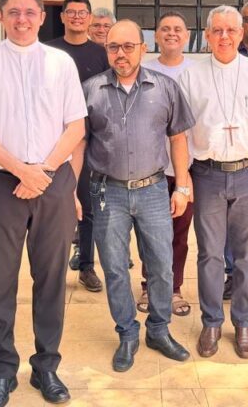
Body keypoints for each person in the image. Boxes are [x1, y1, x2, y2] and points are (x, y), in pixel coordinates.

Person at [0, 0, 85, 407]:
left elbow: (76, 127)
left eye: (30, 12)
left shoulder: (61, 63)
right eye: (13, 12)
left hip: (52, 179)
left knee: (51, 277)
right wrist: (19, 169)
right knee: (0, 279)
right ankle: (2, 370)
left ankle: (46, 366)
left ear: (42, 17)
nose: (22, 19)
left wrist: (41, 171)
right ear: (0, 17)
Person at [79, 20, 194, 372]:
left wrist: (183, 186)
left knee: (160, 264)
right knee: (115, 268)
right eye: (113, 47)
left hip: (154, 190)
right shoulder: (91, 90)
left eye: (128, 46)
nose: (121, 54)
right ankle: (127, 333)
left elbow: (178, 138)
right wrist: (70, 190)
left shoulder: (165, 87)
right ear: (106, 49)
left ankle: (158, 330)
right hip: (107, 192)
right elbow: (79, 142)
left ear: (143, 49)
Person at [178, 5, 248, 359]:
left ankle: (243, 322)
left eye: (231, 30)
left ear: (241, 34)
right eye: (217, 30)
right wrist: (184, 177)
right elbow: (180, 133)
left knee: (246, 255)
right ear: (207, 35)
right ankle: (212, 322)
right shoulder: (191, 76)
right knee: (210, 253)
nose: (224, 36)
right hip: (207, 174)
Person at [45, 0, 108, 293]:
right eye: (71, 12)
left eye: (82, 13)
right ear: (62, 17)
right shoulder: (48, 52)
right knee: (55, 207)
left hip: (90, 141)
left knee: (88, 205)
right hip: (54, 142)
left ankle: (86, 266)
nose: (77, 17)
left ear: (89, 17)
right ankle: (53, 269)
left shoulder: (101, 54)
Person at [139, 12, 195, 317]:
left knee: (179, 233)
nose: (171, 33)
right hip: (151, 167)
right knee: (149, 232)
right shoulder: (144, 69)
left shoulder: (196, 72)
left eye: (177, 29)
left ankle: (173, 288)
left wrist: (189, 173)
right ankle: (150, 285)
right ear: (156, 36)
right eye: (165, 29)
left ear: (187, 36)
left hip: (185, 168)